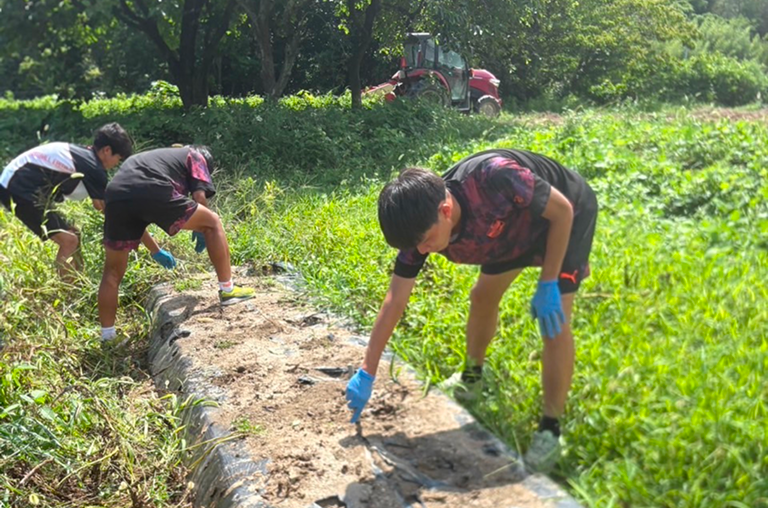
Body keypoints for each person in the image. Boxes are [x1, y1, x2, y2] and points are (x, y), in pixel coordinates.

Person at [344, 148, 598, 473]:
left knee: (554, 319)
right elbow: (395, 299)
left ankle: (551, 429)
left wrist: (548, 282)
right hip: (510, 230)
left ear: (445, 209)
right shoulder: (420, 227)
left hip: (567, 216)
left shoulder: (495, 177)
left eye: (426, 241)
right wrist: (368, 370)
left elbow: (562, 210)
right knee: (482, 296)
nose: (422, 251)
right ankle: (473, 378)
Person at [98, 145, 254, 342]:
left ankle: (108, 338)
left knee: (111, 274)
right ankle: (228, 290)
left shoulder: (150, 160)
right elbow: (199, 197)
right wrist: (202, 228)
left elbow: (136, 215)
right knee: (213, 222)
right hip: (152, 188)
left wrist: (156, 251)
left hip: (115, 195)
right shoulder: (196, 156)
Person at [0, 123, 174, 280]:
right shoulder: (93, 167)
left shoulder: (85, 157)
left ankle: (79, 281)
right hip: (18, 188)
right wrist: (155, 250)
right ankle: (67, 295)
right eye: (118, 158)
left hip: (20, 185)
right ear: (107, 150)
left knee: (73, 234)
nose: (116, 164)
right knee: (68, 240)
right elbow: (120, 215)